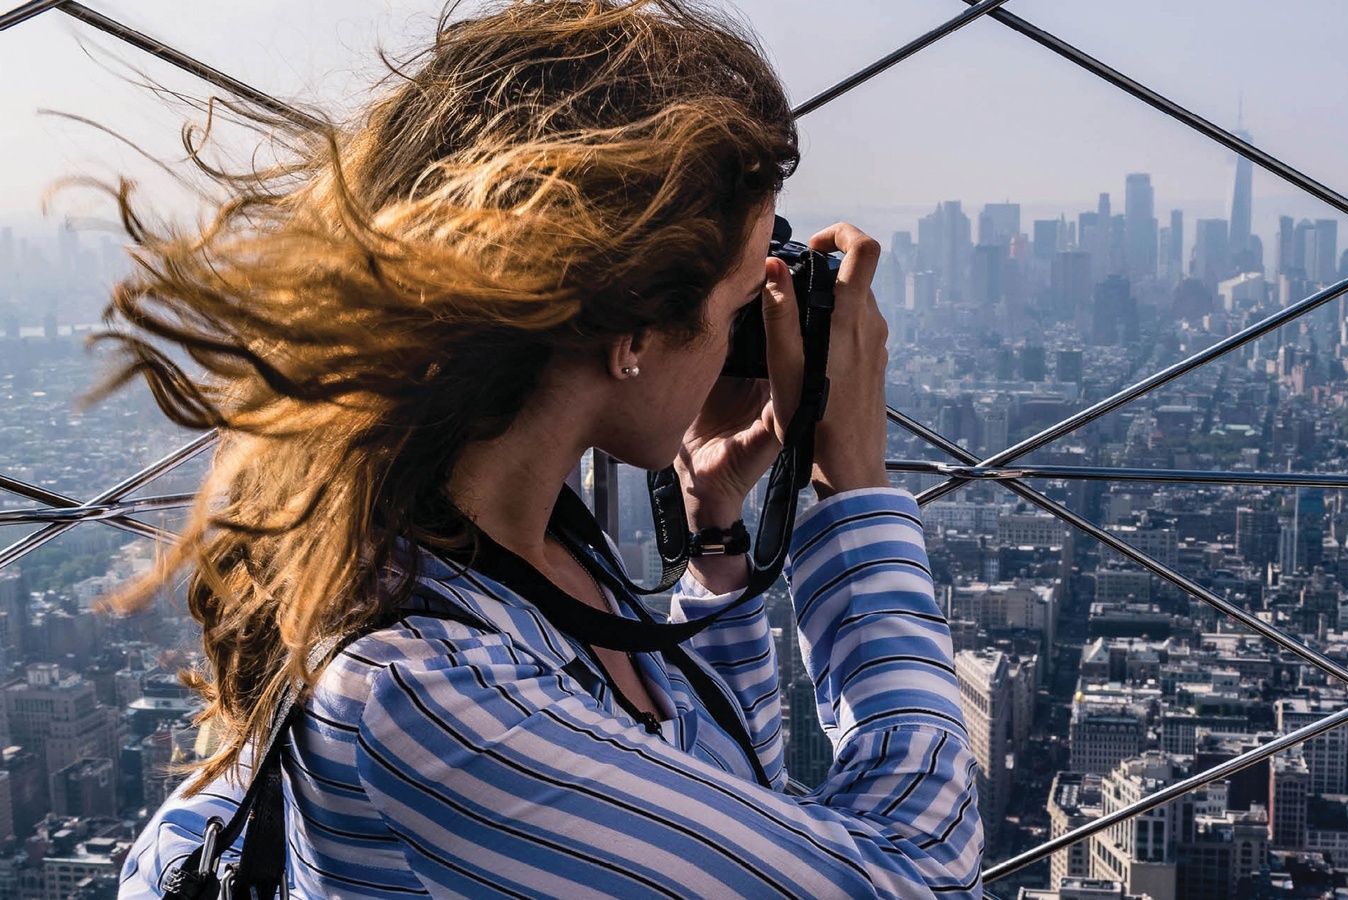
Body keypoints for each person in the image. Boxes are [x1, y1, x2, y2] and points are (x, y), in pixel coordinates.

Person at [111, 1, 980, 897]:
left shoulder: (519, 543)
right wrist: (855, 494)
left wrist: (714, 530)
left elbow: (723, 804)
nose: (746, 337)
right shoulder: (423, 692)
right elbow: (923, 876)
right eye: (734, 307)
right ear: (634, 331)